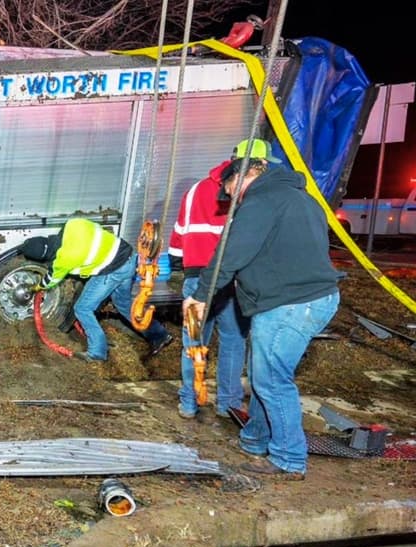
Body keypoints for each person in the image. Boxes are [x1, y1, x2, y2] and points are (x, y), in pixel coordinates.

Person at [182, 143, 342, 480]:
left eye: (229, 189)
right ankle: (255, 439)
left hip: (289, 304)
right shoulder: (303, 200)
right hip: (316, 298)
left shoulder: (260, 202)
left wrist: (200, 295)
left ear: (244, 174)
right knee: (265, 376)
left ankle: (288, 460)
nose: (232, 197)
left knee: (271, 381)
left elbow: (230, 254)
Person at [167, 143, 259, 419]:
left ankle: (188, 401)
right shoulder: (247, 193)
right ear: (253, 166)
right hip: (230, 283)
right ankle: (228, 404)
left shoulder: (194, 190)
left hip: (196, 279)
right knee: (233, 340)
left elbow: (178, 235)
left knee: (193, 343)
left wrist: (178, 264)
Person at [20, 218, 175, 362]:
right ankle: (160, 335)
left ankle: (97, 353)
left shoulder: (64, 258)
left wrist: (37, 287)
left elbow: (52, 279)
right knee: (123, 303)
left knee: (82, 308)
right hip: (128, 256)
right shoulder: (72, 224)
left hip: (114, 269)